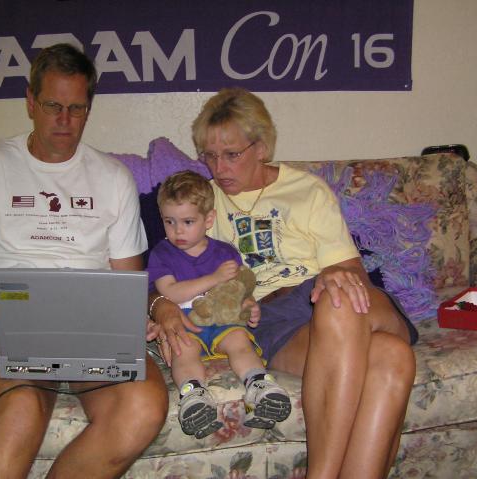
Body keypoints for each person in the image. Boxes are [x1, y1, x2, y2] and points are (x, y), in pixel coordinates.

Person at [0, 43, 168, 479]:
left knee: (143, 406)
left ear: (88, 109)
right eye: (53, 106)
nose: (65, 120)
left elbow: (128, 279)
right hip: (5, 322)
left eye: (76, 108)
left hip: (89, 326)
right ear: (31, 102)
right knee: (21, 410)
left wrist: (140, 314)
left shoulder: (113, 178)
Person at [148, 88, 418, 479]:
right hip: (271, 319)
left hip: (329, 298)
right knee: (392, 357)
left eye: (231, 154)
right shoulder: (201, 203)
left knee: (338, 300)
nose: (219, 168)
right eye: (210, 155)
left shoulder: (306, 190)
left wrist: (335, 274)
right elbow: (158, 268)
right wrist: (162, 305)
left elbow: (353, 274)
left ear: (261, 147)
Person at [147, 170, 290, 439]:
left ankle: (259, 385)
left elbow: (237, 291)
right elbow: (170, 292)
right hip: (185, 321)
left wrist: (249, 305)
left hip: (223, 321)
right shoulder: (161, 253)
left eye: (188, 221)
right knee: (183, 350)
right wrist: (213, 278)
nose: (178, 230)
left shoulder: (225, 253)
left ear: (209, 219)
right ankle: (194, 395)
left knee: (239, 341)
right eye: (169, 221)